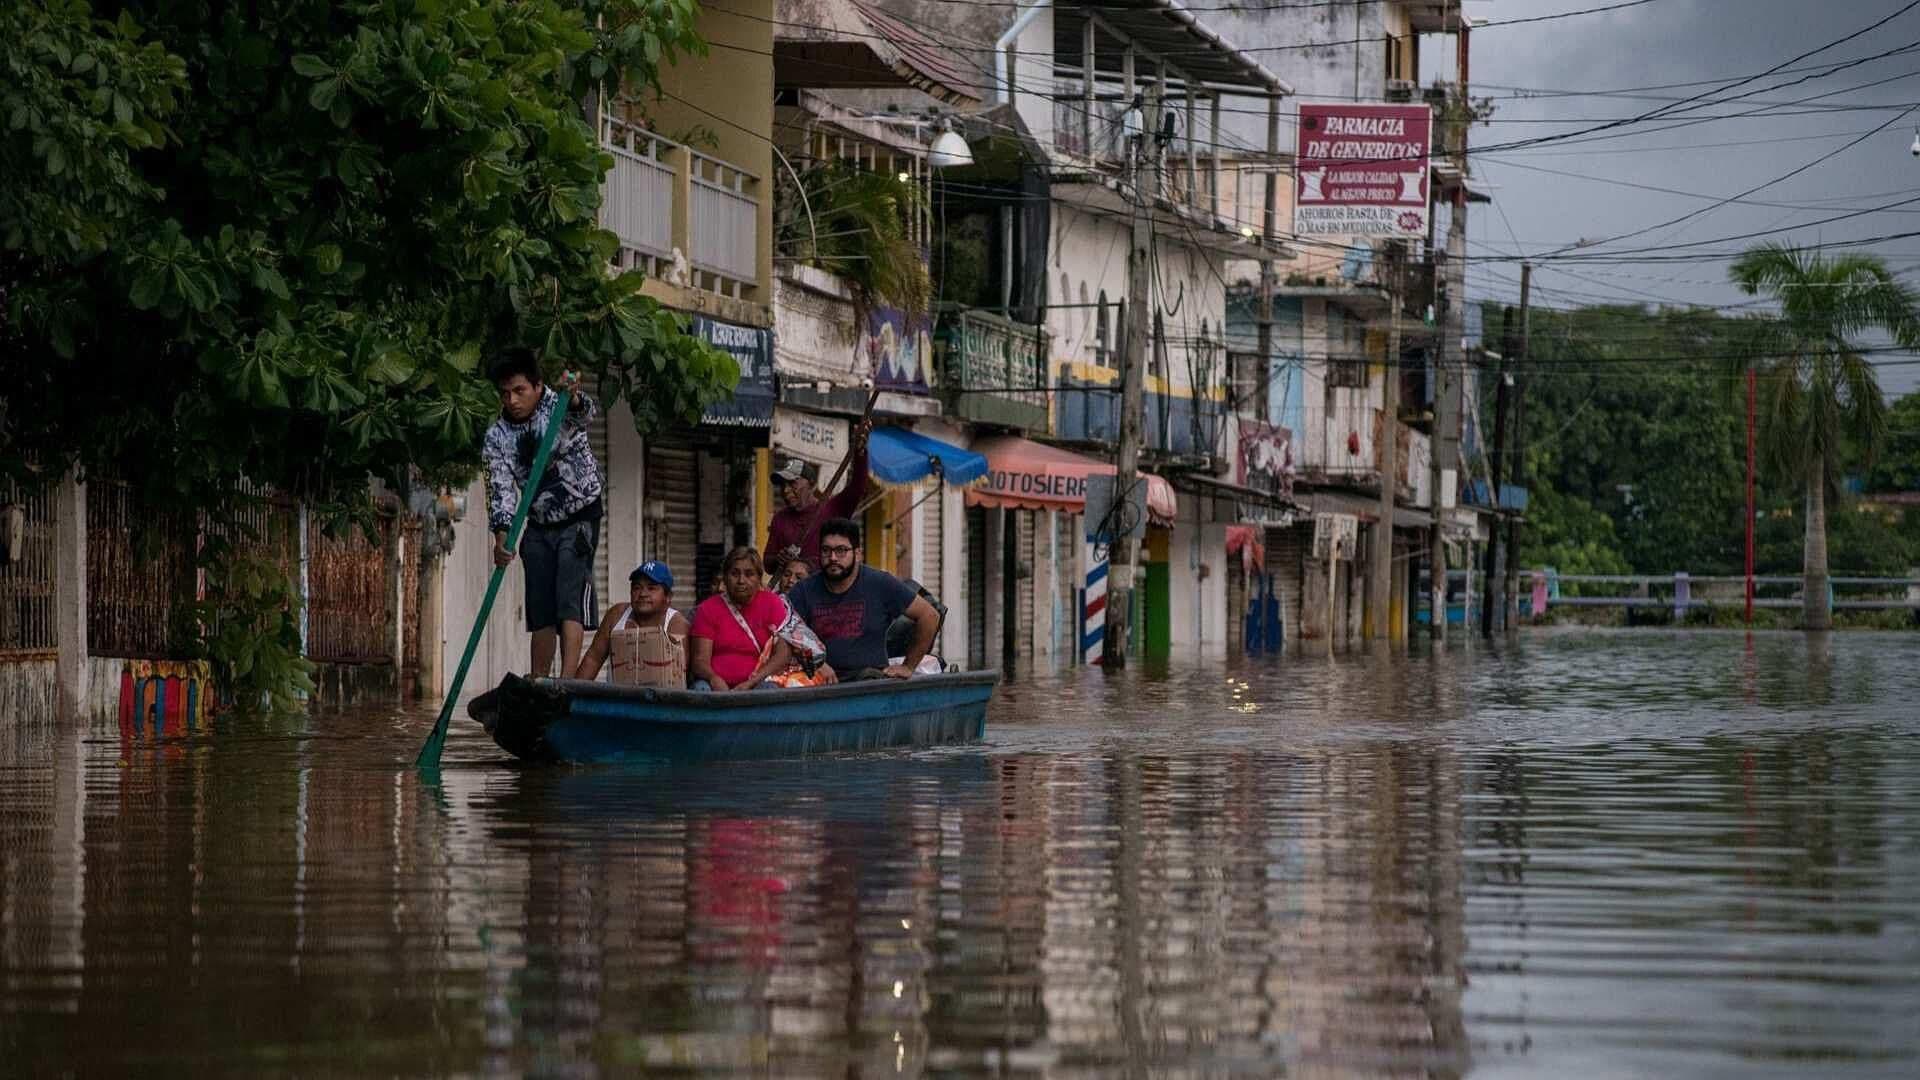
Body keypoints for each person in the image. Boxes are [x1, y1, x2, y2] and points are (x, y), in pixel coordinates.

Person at [481, 347, 601, 678]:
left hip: (580, 514)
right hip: (539, 522)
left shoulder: (558, 402)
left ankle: (567, 680)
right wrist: (501, 535)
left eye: (520, 391)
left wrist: (573, 394)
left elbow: (583, 413)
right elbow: (501, 489)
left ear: (536, 386)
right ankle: (539, 680)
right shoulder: (497, 437)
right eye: (505, 394)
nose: (513, 400)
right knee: (541, 608)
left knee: (568, 597)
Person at [785, 517, 939, 683]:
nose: (833, 558)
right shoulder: (804, 590)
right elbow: (784, 629)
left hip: (871, 685)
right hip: (820, 686)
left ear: (857, 554)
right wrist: (815, 661)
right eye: (826, 550)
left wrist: (908, 667)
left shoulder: (880, 583)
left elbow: (930, 616)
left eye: (841, 550)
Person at [765, 421, 870, 574]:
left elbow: (858, 487)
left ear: (812, 484)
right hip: (795, 594)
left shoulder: (832, 508)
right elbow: (768, 563)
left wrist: (860, 453)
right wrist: (778, 559)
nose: (785, 490)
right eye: (782, 485)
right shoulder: (780, 519)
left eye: (793, 483)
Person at [689, 547, 794, 692]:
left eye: (749, 574)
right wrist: (714, 678)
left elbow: (783, 655)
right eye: (734, 573)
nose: (741, 581)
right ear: (725, 578)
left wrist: (751, 682)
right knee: (700, 688)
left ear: (759, 578)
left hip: (759, 682)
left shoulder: (773, 604)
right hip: (717, 687)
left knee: (768, 690)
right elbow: (700, 661)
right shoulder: (707, 609)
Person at [573, 561, 689, 684]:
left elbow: (679, 672)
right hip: (618, 699)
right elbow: (593, 659)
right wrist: (572, 697)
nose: (643, 594)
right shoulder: (616, 615)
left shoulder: (677, 624)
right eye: (637, 587)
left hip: (660, 700)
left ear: (668, 596)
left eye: (651, 588)